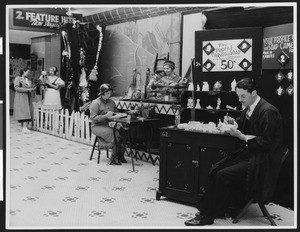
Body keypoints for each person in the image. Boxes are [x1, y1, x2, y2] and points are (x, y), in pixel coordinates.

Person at [185, 78, 283, 226]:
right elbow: (243, 122)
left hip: (263, 160)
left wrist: (241, 136)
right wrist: (233, 122)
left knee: (223, 175)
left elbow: (266, 143)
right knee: (217, 168)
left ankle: (207, 215)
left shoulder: (267, 111)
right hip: (252, 153)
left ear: (254, 93)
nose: (240, 99)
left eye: (243, 96)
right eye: (238, 96)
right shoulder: (251, 106)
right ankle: (217, 208)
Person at [89, 84, 127, 165]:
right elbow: (93, 118)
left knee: (123, 131)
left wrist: (118, 117)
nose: (110, 95)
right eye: (108, 93)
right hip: (97, 126)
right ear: (102, 93)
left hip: (109, 124)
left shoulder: (112, 102)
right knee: (115, 133)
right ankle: (114, 158)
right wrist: (105, 116)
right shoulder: (96, 103)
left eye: (110, 93)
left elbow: (115, 113)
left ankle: (120, 155)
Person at [13, 68, 36, 133]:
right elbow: (16, 88)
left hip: (27, 97)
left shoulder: (27, 80)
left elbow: (28, 87)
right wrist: (28, 90)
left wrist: (32, 88)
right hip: (21, 97)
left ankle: (24, 127)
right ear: (23, 72)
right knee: (23, 111)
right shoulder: (18, 78)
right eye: (28, 72)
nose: (29, 73)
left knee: (26, 111)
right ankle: (24, 127)